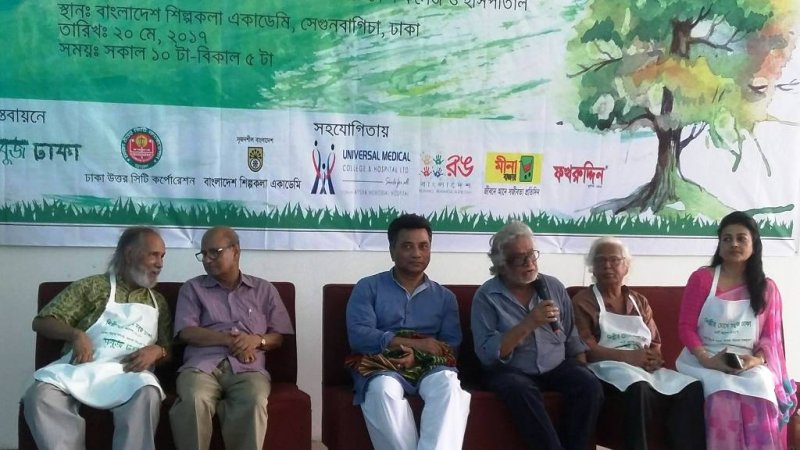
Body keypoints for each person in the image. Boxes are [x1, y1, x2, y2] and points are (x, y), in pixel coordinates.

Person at [22, 226, 171, 450]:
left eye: (162, 256)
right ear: (129, 254)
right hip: (82, 368)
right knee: (39, 395)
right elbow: (42, 321)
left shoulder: (157, 301)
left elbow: (169, 348)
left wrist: (159, 351)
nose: (160, 264)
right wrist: (75, 334)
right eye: (153, 255)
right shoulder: (92, 286)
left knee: (148, 393)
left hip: (129, 375)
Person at [471, 220, 603, 450]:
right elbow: (487, 354)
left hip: (556, 366)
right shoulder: (486, 296)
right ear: (502, 264)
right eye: (519, 258)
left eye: (531, 254)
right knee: (519, 389)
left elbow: (571, 336)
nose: (529, 262)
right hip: (511, 370)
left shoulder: (552, 286)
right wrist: (529, 323)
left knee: (589, 385)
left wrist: (582, 368)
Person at [346, 213, 471, 450]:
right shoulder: (368, 287)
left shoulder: (445, 298)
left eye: (423, 246)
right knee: (382, 391)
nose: (416, 253)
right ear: (392, 251)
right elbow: (359, 336)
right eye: (407, 246)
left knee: (449, 386)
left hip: (430, 365)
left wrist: (419, 356)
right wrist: (413, 344)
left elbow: (451, 346)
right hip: (382, 363)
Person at [677, 211, 797, 449]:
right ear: (719, 244)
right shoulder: (702, 279)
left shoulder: (767, 288)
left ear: (754, 244)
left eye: (741, 238)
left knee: (761, 386)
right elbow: (685, 327)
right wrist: (708, 360)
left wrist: (755, 360)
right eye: (727, 238)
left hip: (747, 361)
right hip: (703, 359)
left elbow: (769, 338)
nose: (734, 244)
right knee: (721, 392)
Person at [572, 237, 705, 450]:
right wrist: (629, 357)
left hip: (642, 367)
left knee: (692, 387)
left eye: (614, 260)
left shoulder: (639, 301)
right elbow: (585, 348)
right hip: (607, 366)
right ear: (592, 267)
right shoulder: (582, 301)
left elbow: (654, 342)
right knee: (638, 388)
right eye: (601, 260)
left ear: (626, 267)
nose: (607, 266)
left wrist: (654, 359)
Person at [170, 226, 294, 450]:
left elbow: (279, 337)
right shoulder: (193, 288)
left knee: (254, 399)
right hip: (202, 366)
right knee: (194, 399)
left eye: (214, 252)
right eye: (203, 254)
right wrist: (230, 339)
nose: (207, 259)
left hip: (248, 368)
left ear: (235, 251)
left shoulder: (264, 289)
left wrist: (257, 340)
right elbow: (186, 332)